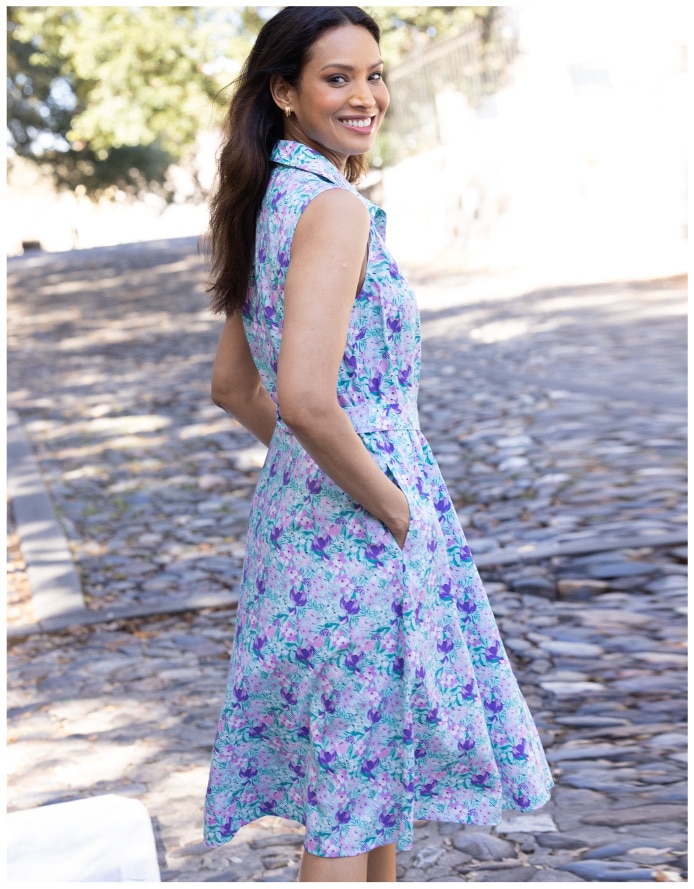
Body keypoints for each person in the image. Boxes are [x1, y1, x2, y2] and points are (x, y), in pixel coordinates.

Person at [202, 6, 553, 883]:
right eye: (336, 78)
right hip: (363, 529)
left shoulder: (267, 197)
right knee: (349, 819)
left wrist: (309, 471)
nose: (366, 96)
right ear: (284, 93)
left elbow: (237, 389)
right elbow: (310, 402)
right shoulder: (330, 208)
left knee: (362, 788)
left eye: (375, 73)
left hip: (303, 527)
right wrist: (396, 507)